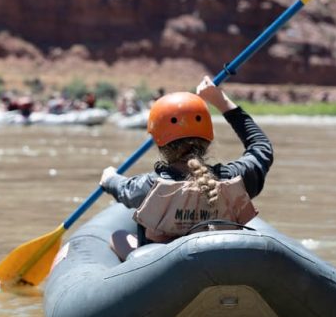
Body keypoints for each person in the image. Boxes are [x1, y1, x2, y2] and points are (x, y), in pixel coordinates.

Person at [100, 75, 274, 253]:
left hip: (164, 273)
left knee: (118, 236)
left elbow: (121, 188)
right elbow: (261, 147)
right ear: (208, 138)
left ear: (160, 143)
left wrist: (109, 179)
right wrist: (222, 102)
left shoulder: (148, 187)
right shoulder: (235, 178)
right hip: (221, 263)